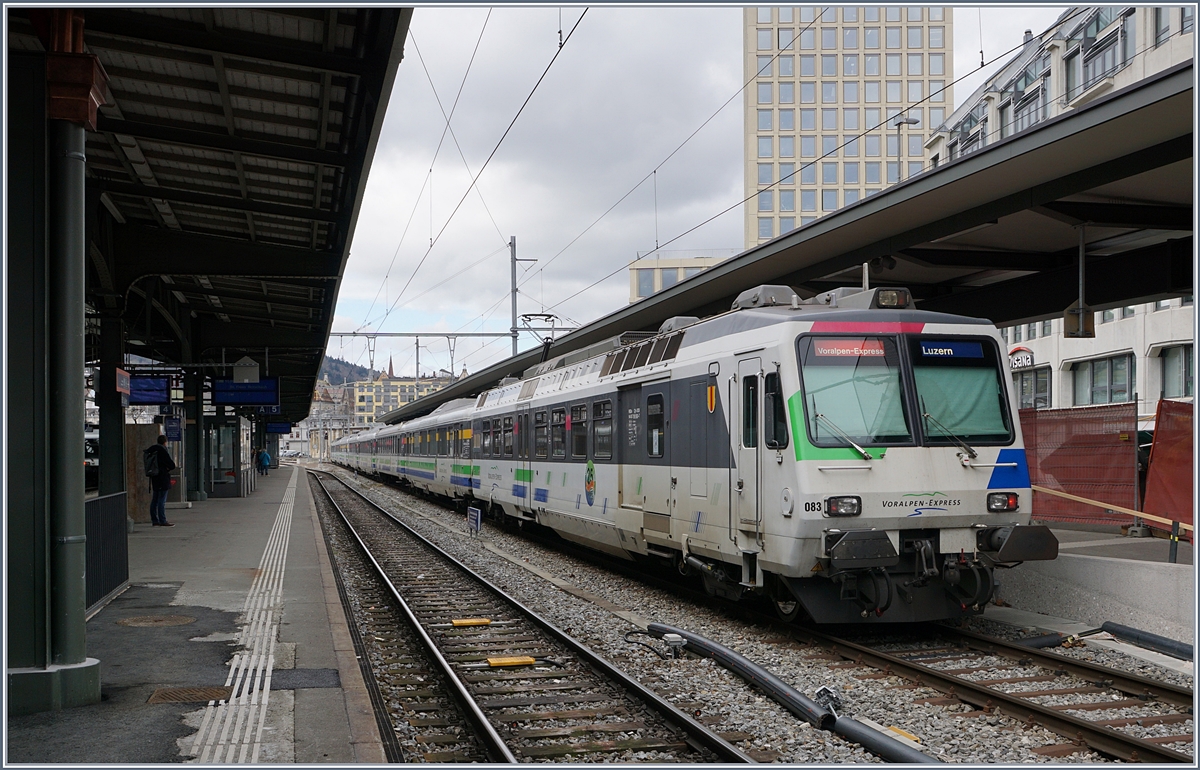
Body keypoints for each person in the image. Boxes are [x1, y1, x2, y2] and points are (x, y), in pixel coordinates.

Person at [146, 434, 176, 527]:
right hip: (163, 477)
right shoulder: (163, 450)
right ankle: (162, 520)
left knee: (155, 499)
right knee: (161, 500)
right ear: (165, 442)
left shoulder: (151, 450)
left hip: (154, 477)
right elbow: (172, 465)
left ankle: (154, 520)